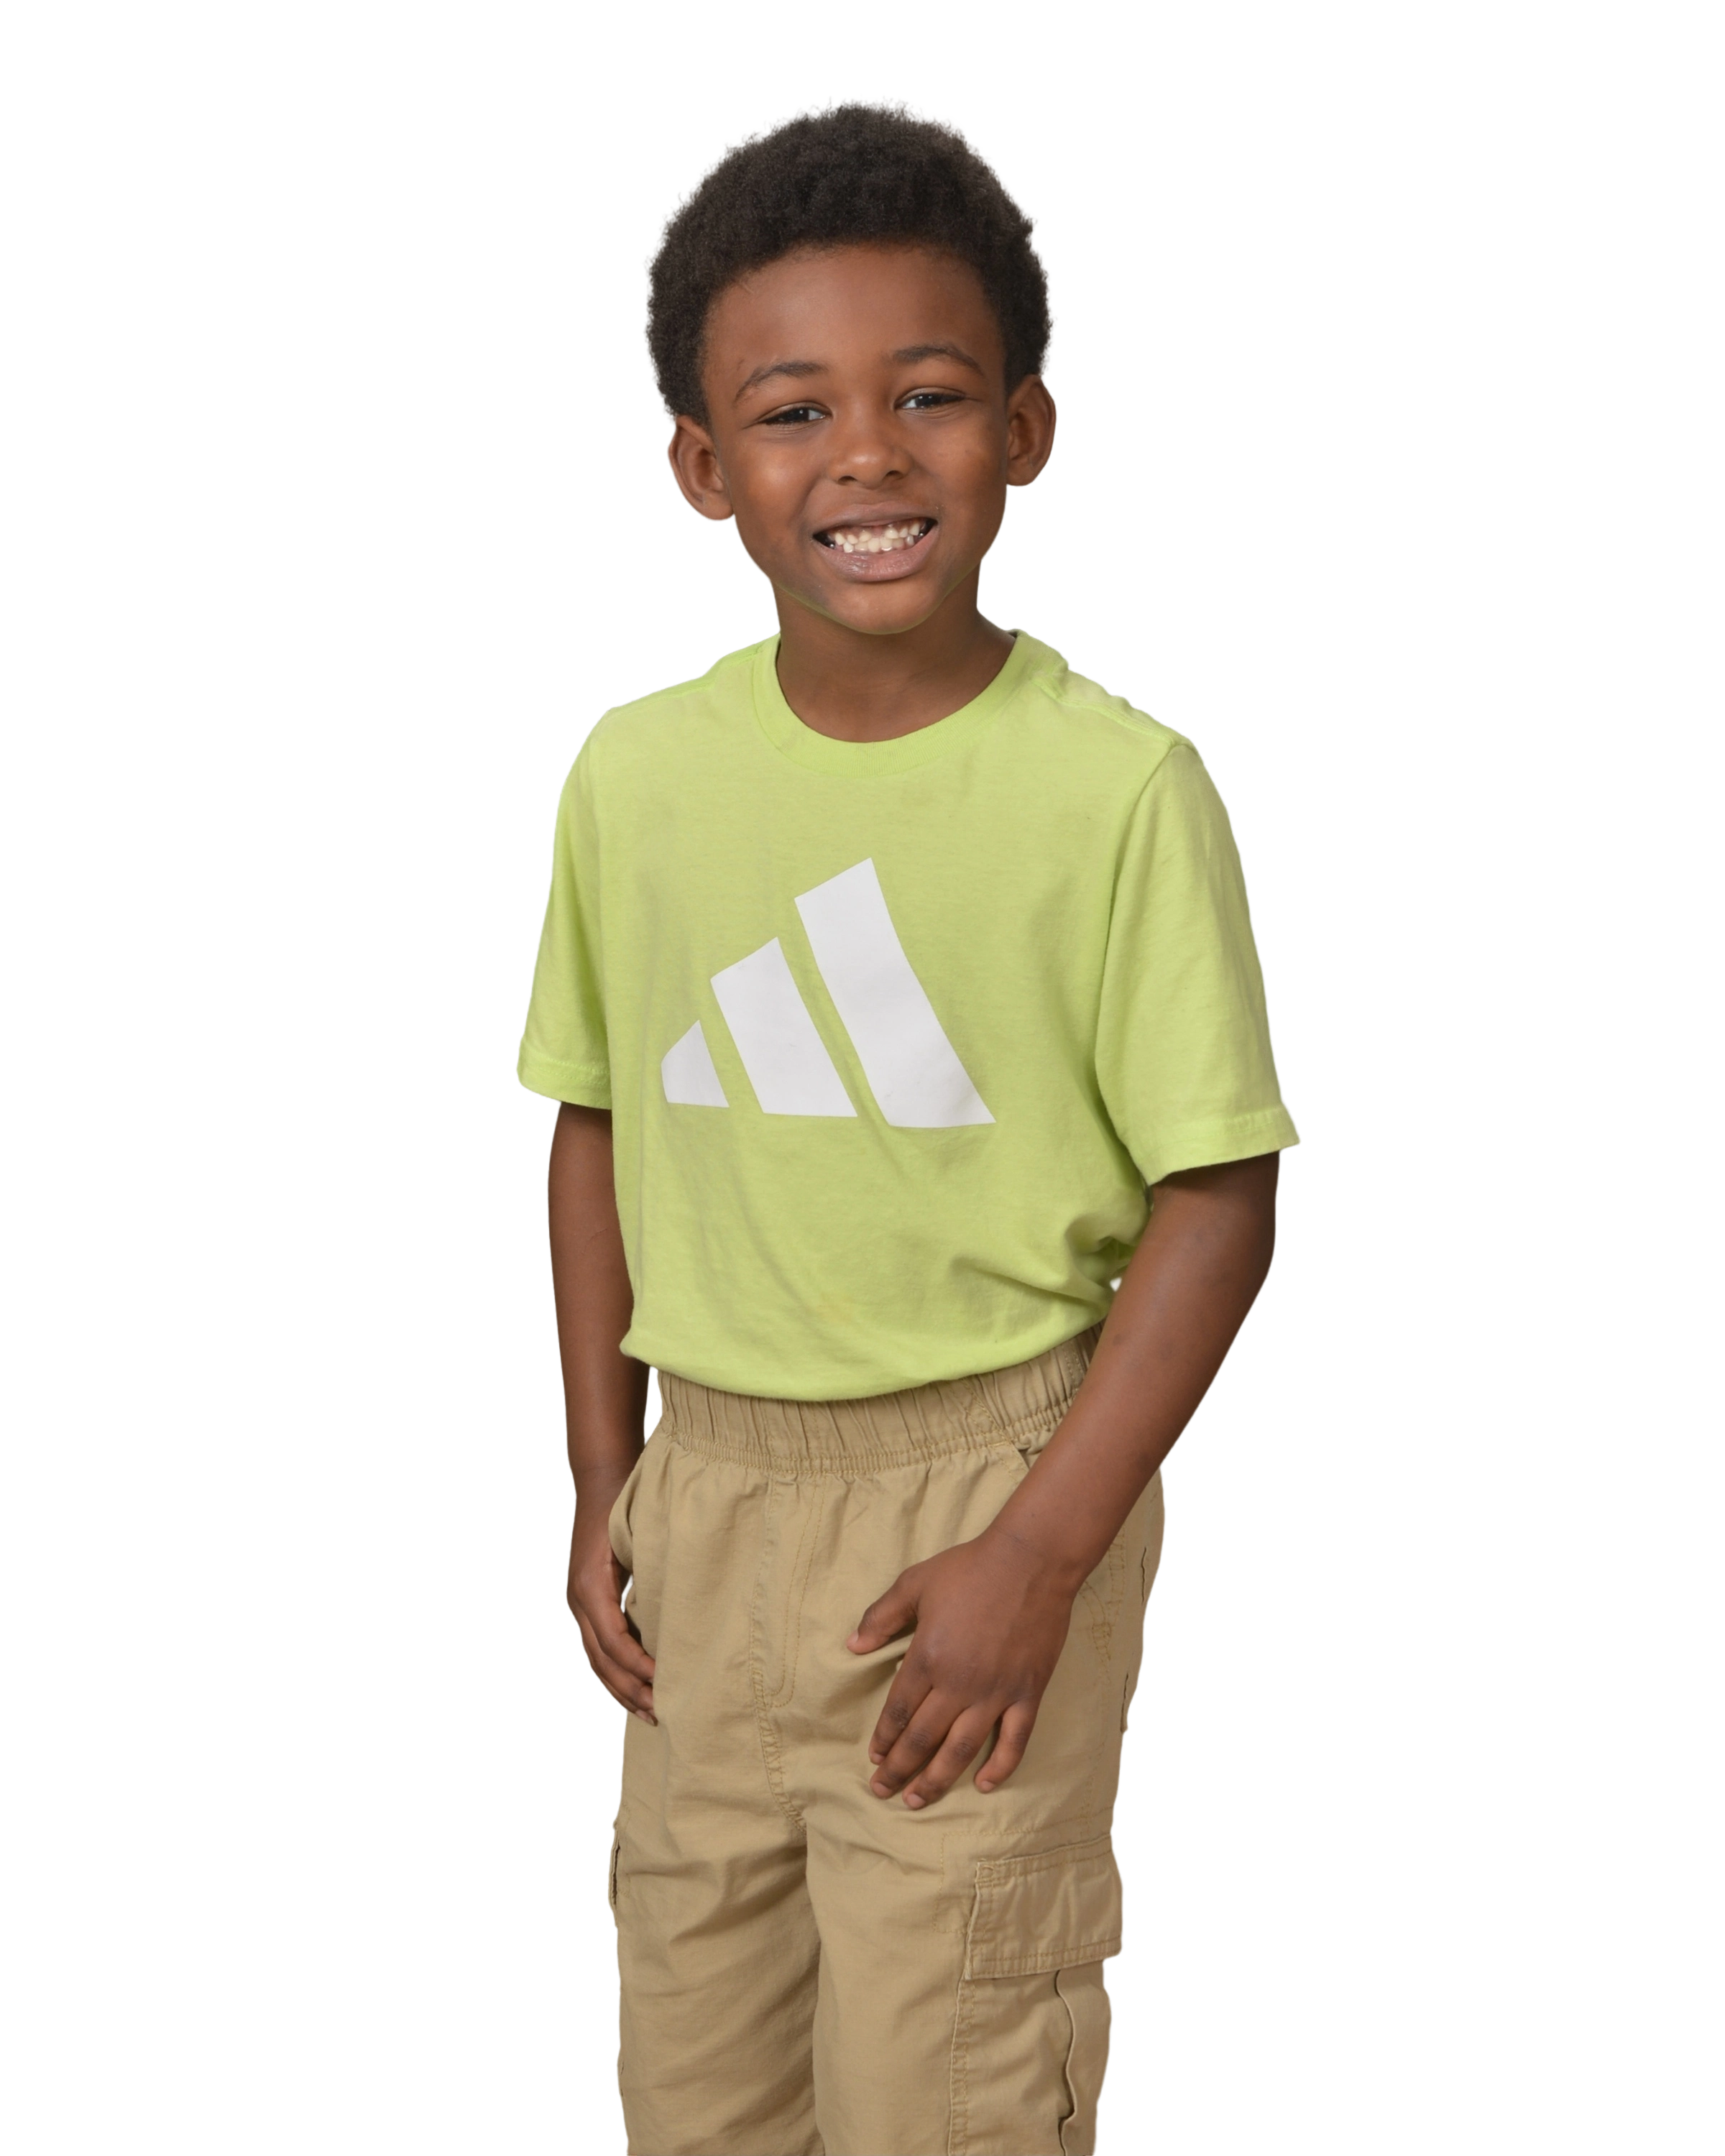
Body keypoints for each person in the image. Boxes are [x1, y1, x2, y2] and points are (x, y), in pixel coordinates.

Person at [516, 91, 1302, 2156]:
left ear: (1024, 430)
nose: (864, 454)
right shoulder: (632, 779)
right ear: (704, 468)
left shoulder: (1117, 792)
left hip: (986, 1491)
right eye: (793, 412)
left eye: (928, 395)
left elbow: (1220, 1196)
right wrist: (605, 1471)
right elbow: (591, 1126)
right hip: (702, 1500)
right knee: (699, 2081)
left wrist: (1042, 1549)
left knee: (945, 2079)